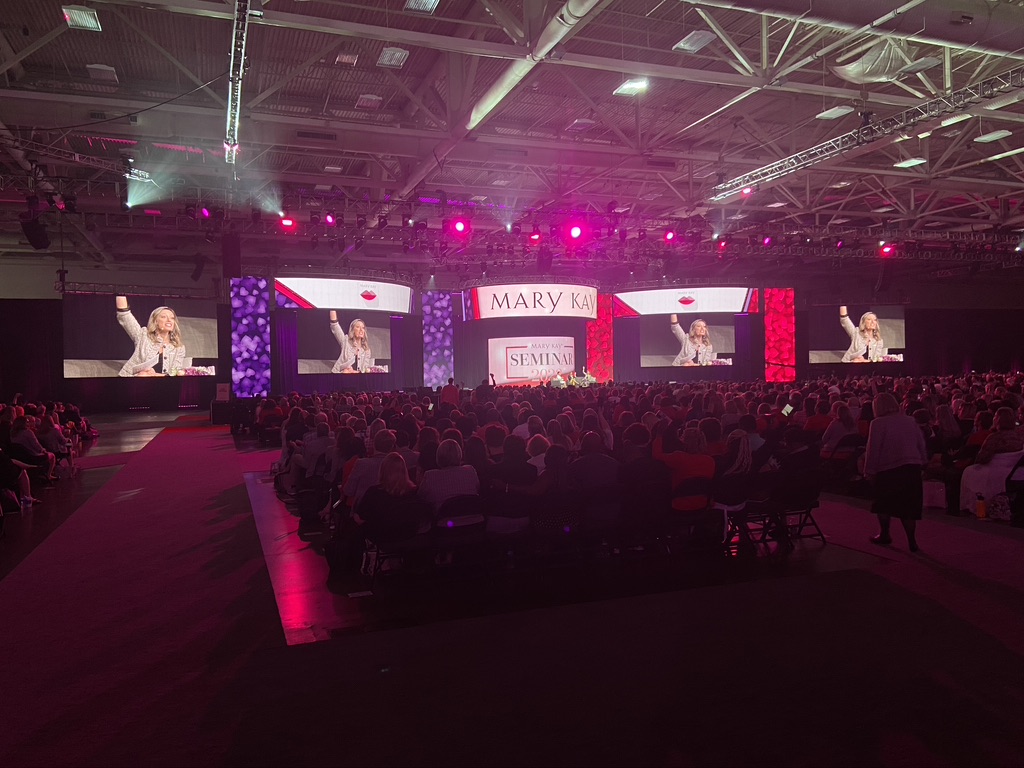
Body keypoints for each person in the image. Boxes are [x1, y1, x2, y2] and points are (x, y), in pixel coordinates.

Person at [863, 393, 928, 552]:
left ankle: (885, 534)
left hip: (888, 468)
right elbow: (920, 442)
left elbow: (873, 449)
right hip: (912, 466)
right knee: (909, 507)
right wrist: (923, 461)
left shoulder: (878, 423)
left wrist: (869, 471)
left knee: (884, 504)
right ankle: (912, 541)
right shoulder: (910, 420)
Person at [115, 296, 187, 377]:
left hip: (161, 384)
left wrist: (153, 375)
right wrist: (120, 291)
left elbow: (174, 374)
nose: (169, 320)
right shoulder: (143, 336)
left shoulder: (178, 348)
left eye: (172, 318)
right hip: (133, 381)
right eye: (164, 317)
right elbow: (125, 316)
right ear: (155, 321)